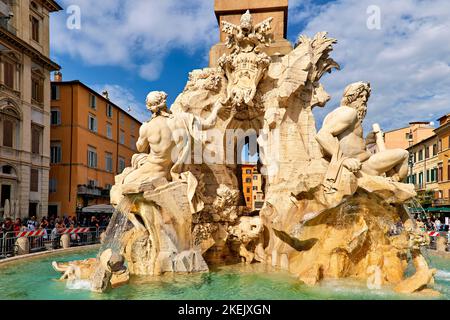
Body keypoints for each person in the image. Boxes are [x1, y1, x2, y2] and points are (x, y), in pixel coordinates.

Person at [315, 82, 409, 192]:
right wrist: (344, 160)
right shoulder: (349, 112)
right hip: (365, 165)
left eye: (366, 97)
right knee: (404, 154)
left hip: (362, 162)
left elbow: (350, 142)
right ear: (351, 97)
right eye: (360, 96)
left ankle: (390, 182)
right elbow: (322, 135)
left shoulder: (335, 114)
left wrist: (370, 140)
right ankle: (394, 181)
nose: (364, 100)